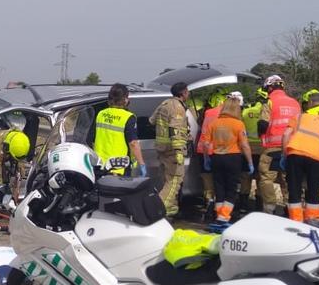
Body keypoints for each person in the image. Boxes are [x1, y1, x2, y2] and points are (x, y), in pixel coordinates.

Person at [207, 95, 254, 229]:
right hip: (233, 158)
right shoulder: (238, 124)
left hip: (216, 157)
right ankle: (223, 218)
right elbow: (244, 145)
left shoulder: (214, 123)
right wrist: (250, 162)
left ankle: (218, 216)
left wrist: (206, 158)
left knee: (219, 187)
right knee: (231, 189)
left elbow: (205, 143)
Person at [256, 75, 299, 213]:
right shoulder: (295, 103)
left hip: (272, 148)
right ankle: (290, 208)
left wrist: (261, 135)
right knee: (289, 179)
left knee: (266, 178)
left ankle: (270, 207)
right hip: (292, 148)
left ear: (269, 87)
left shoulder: (269, 102)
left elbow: (263, 124)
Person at [151, 81, 191, 217]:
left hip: (161, 148)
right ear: (183, 92)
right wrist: (179, 150)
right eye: (188, 91)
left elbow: (152, 120)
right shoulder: (178, 108)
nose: (189, 94)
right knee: (174, 181)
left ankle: (171, 209)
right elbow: (175, 130)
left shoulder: (164, 103)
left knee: (166, 180)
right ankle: (158, 209)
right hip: (172, 150)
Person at [93, 83, 145, 176]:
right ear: (125, 99)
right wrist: (141, 164)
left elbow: (93, 138)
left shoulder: (101, 114)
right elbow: (133, 143)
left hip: (99, 165)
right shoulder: (128, 117)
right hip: (118, 166)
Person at [196, 92, 227, 207]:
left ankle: (209, 201)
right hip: (219, 151)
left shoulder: (207, 112)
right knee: (219, 179)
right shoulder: (226, 113)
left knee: (207, 178)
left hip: (203, 150)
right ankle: (220, 203)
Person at [239, 88, 264, 210]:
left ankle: (243, 204)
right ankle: (259, 205)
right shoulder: (267, 112)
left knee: (245, 177)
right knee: (260, 177)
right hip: (262, 148)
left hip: (247, 147)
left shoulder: (246, 111)